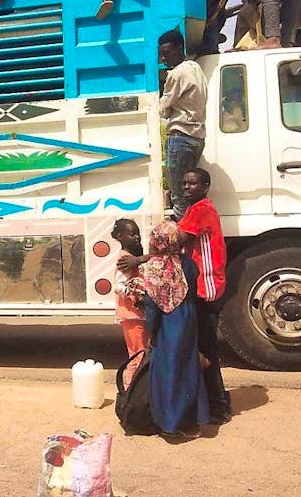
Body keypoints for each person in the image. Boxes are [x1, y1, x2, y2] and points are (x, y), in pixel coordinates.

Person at [138, 220, 210, 436]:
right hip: (187, 319)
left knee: (168, 370)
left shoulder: (153, 269)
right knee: (188, 367)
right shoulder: (187, 264)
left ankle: (170, 422)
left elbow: (153, 307)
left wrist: (152, 331)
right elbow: (194, 289)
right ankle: (193, 420)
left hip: (167, 325)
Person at [178, 168, 231, 423]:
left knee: (206, 350)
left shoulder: (201, 209)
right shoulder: (194, 209)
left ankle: (218, 406)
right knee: (202, 347)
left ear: (206, 186)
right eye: (185, 184)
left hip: (205, 288)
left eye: (193, 184)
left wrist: (142, 257)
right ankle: (212, 401)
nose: (187, 188)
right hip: (201, 287)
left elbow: (177, 240)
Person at [158, 29, 206, 221]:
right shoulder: (196, 68)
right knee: (192, 198)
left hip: (180, 139)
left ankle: (182, 245)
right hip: (196, 138)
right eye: (161, 54)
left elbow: (162, 109)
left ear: (179, 48)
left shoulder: (176, 74)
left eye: (167, 53)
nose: (163, 59)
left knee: (179, 198)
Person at [112, 218, 147, 388]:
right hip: (131, 315)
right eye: (132, 234)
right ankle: (130, 391)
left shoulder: (132, 257)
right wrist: (136, 295)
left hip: (137, 315)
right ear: (120, 236)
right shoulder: (125, 259)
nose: (137, 237)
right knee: (137, 356)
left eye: (138, 234)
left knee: (140, 353)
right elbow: (118, 286)